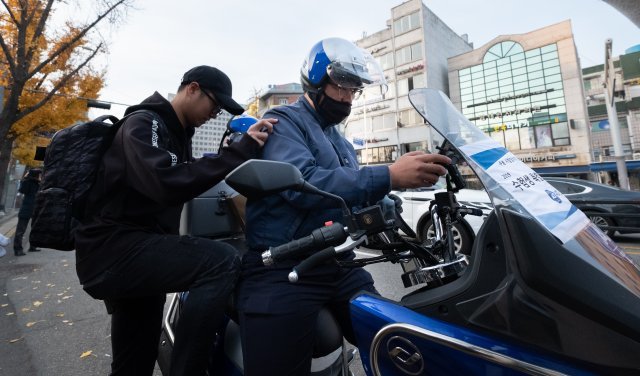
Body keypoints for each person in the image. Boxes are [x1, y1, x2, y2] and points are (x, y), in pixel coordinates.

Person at [237, 37, 451, 375]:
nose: (348, 97)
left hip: (338, 264)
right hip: (284, 266)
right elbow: (304, 185)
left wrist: (390, 201)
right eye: (343, 86)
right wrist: (389, 175)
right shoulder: (284, 121)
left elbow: (356, 189)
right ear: (317, 81)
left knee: (399, 347)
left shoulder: (338, 139)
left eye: (355, 89)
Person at [74, 65, 276, 376]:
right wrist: (236, 154)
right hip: (115, 249)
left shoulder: (177, 133)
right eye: (215, 103)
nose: (215, 113)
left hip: (138, 251)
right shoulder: (145, 122)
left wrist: (239, 150)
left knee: (134, 363)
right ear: (192, 89)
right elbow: (167, 180)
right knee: (220, 262)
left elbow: (191, 170)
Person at [13, 168, 41, 256]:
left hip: (34, 208)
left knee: (35, 229)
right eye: (39, 175)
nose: (41, 176)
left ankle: (32, 246)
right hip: (27, 208)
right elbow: (22, 190)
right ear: (36, 175)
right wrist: (25, 179)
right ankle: (18, 249)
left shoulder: (38, 183)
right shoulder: (28, 182)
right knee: (21, 230)